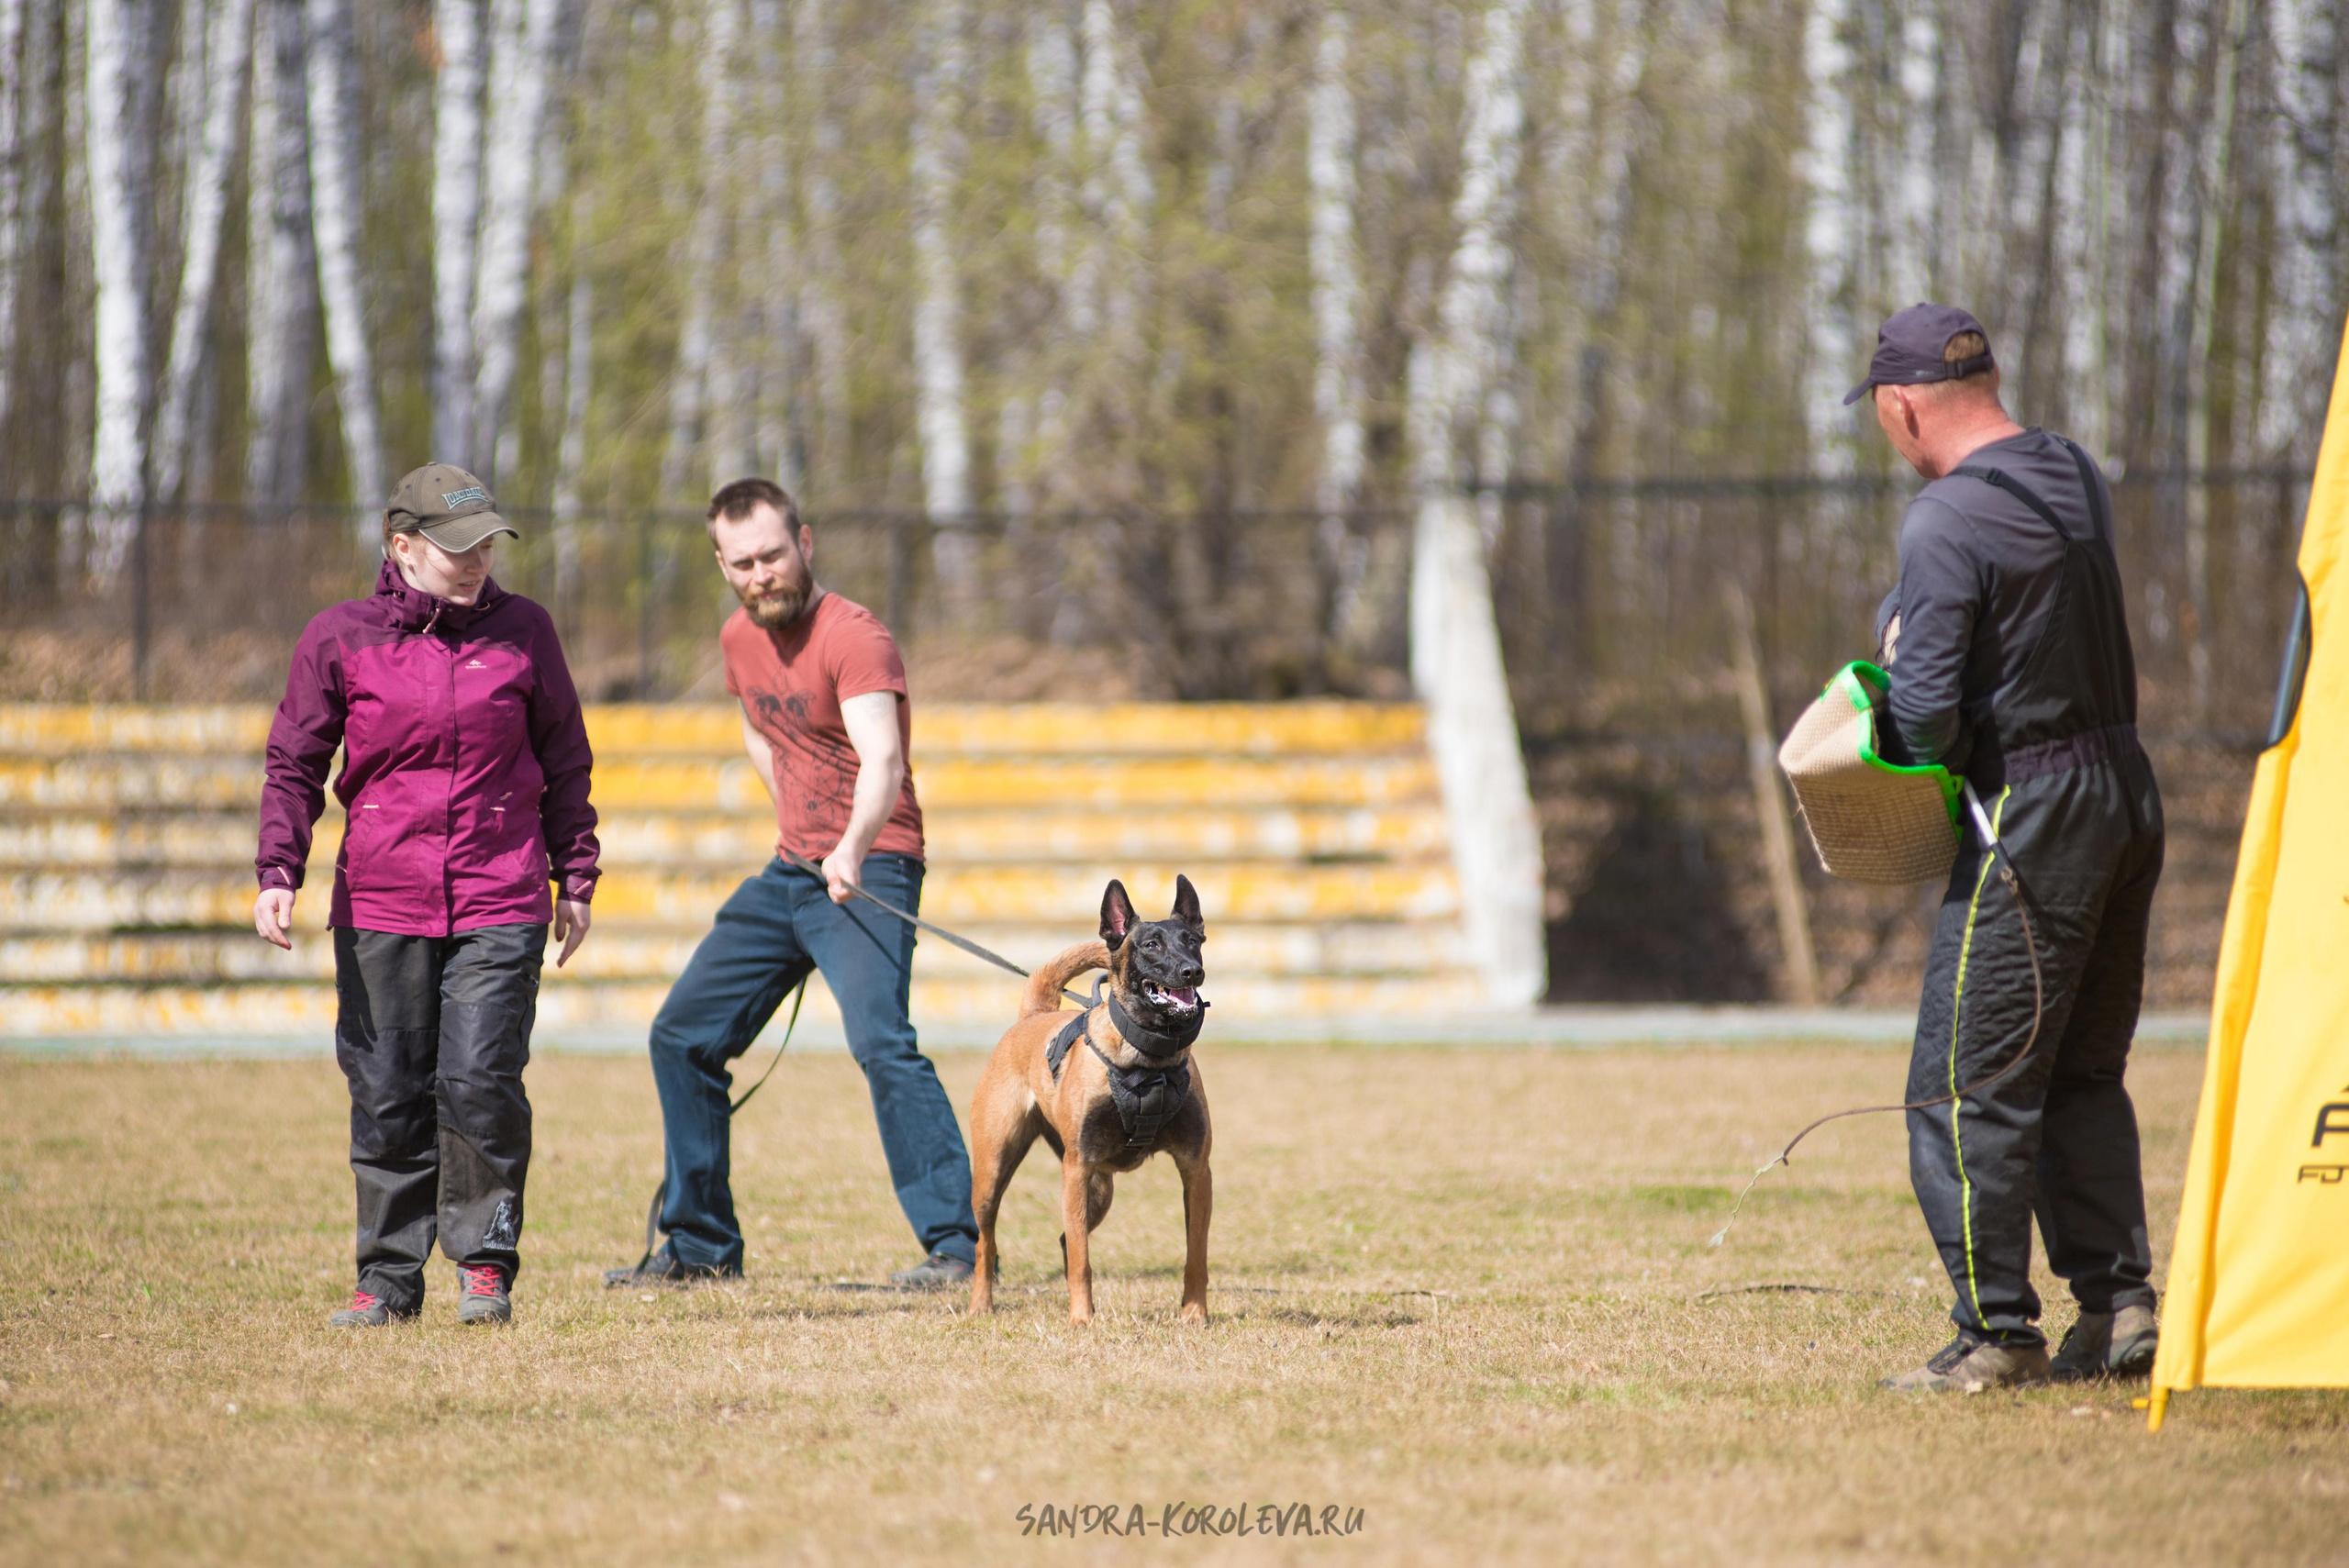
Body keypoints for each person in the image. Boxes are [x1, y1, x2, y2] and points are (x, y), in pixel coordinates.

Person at [1851, 305, 2164, 1391]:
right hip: (2124, 793)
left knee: (1963, 1079)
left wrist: (1879, 694)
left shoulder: (1941, 522)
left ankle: (1996, 1333)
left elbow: (1929, 718)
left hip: (2028, 815)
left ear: (1899, 406)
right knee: (2079, 1068)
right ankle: (2119, 1304)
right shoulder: (2072, 471)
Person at [603, 478, 979, 1290]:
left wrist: (850, 846)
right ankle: (701, 1247)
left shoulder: (855, 637)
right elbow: (756, 726)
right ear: (721, 563)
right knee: (682, 1034)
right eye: (741, 562)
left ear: (804, 544)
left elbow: (884, 758)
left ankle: (956, 1248)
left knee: (881, 1041)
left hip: (870, 863)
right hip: (791, 871)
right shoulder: (738, 637)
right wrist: (791, 819)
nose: (760, 572)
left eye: (772, 554)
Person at [254, 463, 600, 1329]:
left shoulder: (527, 632)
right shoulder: (339, 638)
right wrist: (277, 872)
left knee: (481, 1080)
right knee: (388, 1089)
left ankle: (485, 1265)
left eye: (486, 541)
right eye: (456, 546)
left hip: (499, 891)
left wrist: (577, 873)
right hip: (380, 900)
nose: (477, 557)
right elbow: (294, 763)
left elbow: (565, 760)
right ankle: (387, 1279)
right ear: (401, 548)